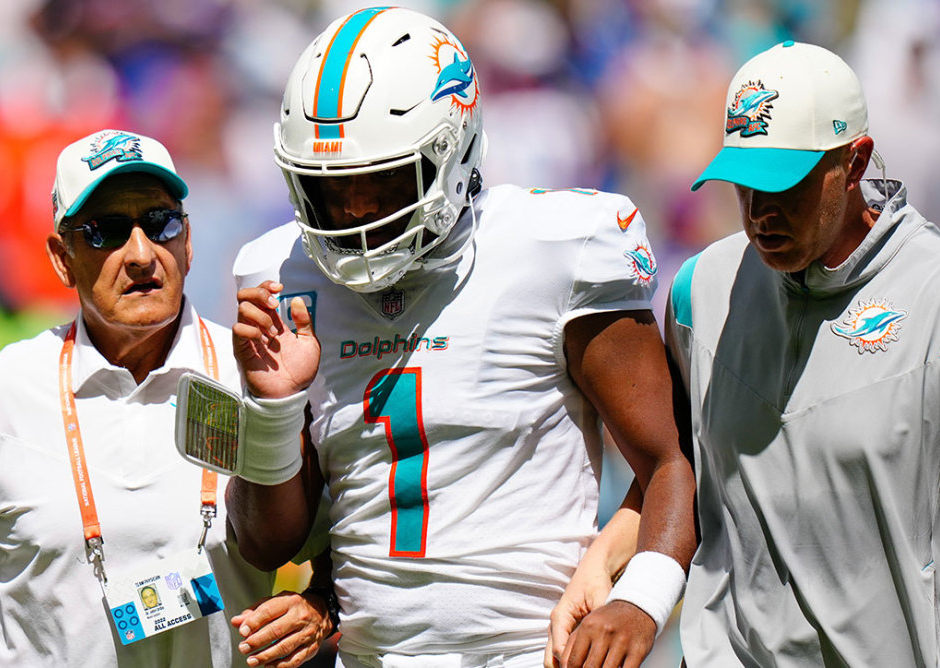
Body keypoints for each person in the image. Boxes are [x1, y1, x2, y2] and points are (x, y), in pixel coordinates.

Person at [222, 6, 696, 668]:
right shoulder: (283, 273)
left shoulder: (555, 249)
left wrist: (639, 598)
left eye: (379, 182)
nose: (355, 215)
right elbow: (267, 545)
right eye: (330, 191)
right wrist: (271, 409)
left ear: (453, 150)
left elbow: (675, 459)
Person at [665, 41, 940, 665]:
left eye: (783, 184)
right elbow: (672, 478)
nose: (760, 211)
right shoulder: (699, 296)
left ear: (854, 163)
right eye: (743, 183)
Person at [0, 129, 282, 667]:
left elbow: (328, 549)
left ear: (188, 240)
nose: (140, 254)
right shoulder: (1, 391)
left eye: (160, 223)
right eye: (106, 231)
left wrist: (317, 607)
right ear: (62, 258)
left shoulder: (256, 374)